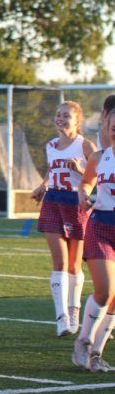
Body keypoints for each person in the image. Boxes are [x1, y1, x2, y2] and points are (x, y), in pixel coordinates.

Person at [31, 101, 96, 336]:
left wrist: (81, 170)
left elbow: (98, 173)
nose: (60, 118)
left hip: (76, 203)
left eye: (66, 115)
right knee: (58, 262)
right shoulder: (50, 145)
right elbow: (52, 170)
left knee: (74, 264)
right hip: (53, 202)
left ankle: (74, 310)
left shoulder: (85, 145)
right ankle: (61, 317)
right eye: (58, 114)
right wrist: (42, 186)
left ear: (77, 120)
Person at [73, 110, 115, 372]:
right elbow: (87, 183)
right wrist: (83, 195)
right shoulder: (100, 157)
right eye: (113, 125)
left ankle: (96, 354)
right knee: (106, 289)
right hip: (101, 225)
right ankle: (83, 342)